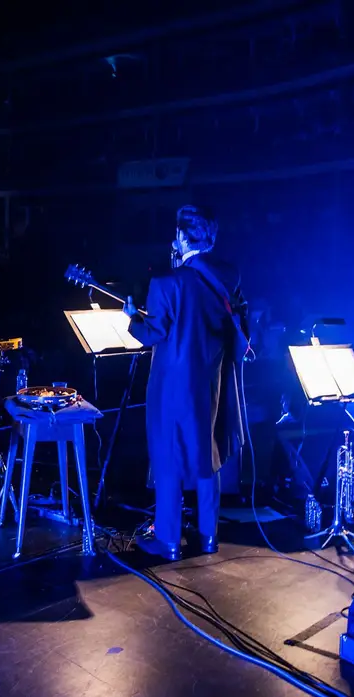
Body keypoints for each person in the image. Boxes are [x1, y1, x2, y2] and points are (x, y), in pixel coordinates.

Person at [124, 205, 248, 560]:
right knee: (207, 454)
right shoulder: (228, 275)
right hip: (211, 381)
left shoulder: (166, 283)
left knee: (168, 456)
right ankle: (209, 536)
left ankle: (167, 539)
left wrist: (133, 319)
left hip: (172, 385)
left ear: (181, 237)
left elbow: (154, 334)